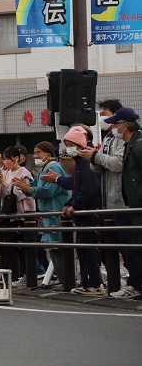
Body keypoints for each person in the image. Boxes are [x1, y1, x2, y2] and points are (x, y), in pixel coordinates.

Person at [83, 100, 142, 298]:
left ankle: (136, 284)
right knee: (120, 246)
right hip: (111, 199)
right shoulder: (109, 137)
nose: (103, 118)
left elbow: (117, 164)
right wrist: (93, 158)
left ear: (123, 122)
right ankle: (129, 283)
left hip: (124, 201)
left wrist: (96, 157)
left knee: (130, 245)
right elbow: (102, 165)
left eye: (106, 114)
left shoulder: (131, 142)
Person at [42, 126, 105, 295]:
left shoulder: (87, 161)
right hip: (84, 211)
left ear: (80, 144)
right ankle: (88, 283)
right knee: (84, 250)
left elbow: (89, 189)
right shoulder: (79, 162)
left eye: (71, 143)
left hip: (90, 212)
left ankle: (94, 284)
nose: (68, 148)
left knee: (88, 250)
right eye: (66, 144)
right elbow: (77, 186)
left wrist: (74, 205)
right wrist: (69, 203)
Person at [13, 141, 70, 284]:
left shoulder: (54, 167)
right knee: (53, 248)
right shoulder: (43, 169)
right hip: (49, 214)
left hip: (56, 212)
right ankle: (64, 281)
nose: (36, 155)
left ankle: (67, 281)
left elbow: (48, 191)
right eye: (35, 152)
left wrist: (28, 189)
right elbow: (34, 186)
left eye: (39, 152)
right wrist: (25, 186)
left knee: (58, 248)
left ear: (48, 154)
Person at [103, 106, 142, 301]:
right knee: (132, 247)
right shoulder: (130, 145)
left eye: (115, 124)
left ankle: (137, 284)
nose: (112, 128)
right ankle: (137, 284)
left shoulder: (138, 145)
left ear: (125, 126)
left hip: (135, 206)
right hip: (131, 204)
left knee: (134, 247)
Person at [0, 146, 36, 284]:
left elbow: (21, 194)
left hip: (22, 215)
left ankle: (25, 275)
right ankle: (14, 276)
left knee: (22, 247)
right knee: (9, 247)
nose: (5, 162)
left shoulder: (24, 173)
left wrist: (4, 184)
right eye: (3, 159)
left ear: (16, 158)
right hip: (8, 214)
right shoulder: (5, 173)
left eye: (7, 159)